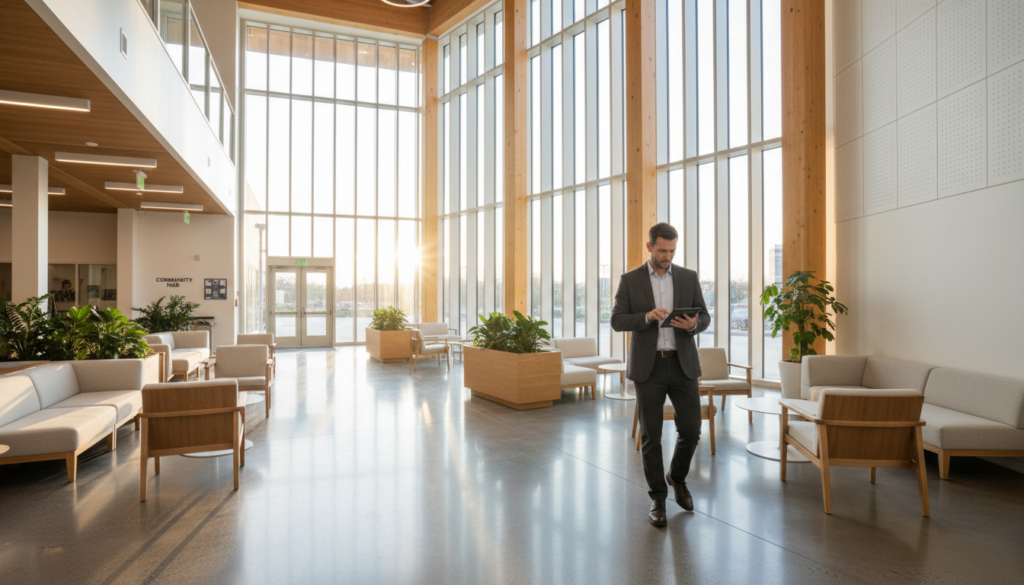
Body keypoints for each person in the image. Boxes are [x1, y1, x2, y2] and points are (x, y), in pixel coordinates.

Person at [611, 222, 710, 527]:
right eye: (662, 250)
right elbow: (616, 320)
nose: (667, 256)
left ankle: (676, 477)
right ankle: (658, 497)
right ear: (649, 247)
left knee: (691, 430)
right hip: (649, 367)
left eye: (672, 251)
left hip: (683, 366)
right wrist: (645, 317)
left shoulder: (688, 277)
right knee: (652, 437)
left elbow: (704, 316)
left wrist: (692, 325)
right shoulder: (631, 280)